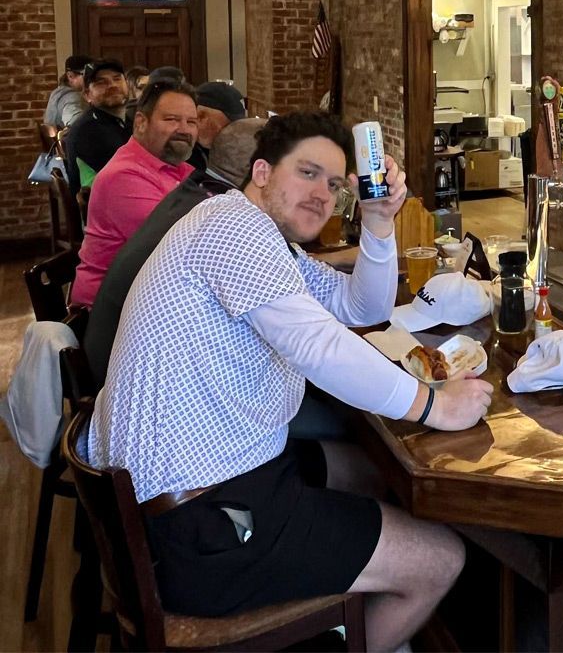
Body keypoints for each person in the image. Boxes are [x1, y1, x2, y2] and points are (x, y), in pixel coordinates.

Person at [87, 111, 493, 650]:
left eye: (332, 184)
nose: (322, 194)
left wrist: (376, 221)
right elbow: (318, 346)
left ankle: (352, 615)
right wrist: (433, 406)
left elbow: (358, 307)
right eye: (306, 173)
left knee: (375, 471)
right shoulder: (230, 229)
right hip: (196, 522)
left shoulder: (266, 241)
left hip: (213, 478)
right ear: (260, 171)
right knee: (442, 558)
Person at [82, 116, 266, 387]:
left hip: (123, 351)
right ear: (259, 170)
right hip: (130, 379)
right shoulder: (218, 219)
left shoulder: (197, 192)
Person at [69, 81, 199, 308]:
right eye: (171, 120)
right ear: (141, 122)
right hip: (108, 315)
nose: (184, 129)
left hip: (145, 297)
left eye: (191, 122)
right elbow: (181, 248)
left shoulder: (176, 166)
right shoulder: (123, 177)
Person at [61, 60, 132, 195]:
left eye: (117, 79)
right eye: (101, 82)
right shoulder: (87, 132)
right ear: (87, 95)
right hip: (106, 210)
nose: (112, 85)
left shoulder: (127, 121)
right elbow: (125, 178)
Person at [188, 80, 247, 173]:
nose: (234, 133)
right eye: (227, 127)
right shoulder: (179, 157)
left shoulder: (227, 151)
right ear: (200, 117)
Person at [44, 54, 91, 131]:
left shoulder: (57, 93)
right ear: (70, 76)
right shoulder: (72, 97)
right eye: (88, 74)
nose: (92, 79)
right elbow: (76, 124)